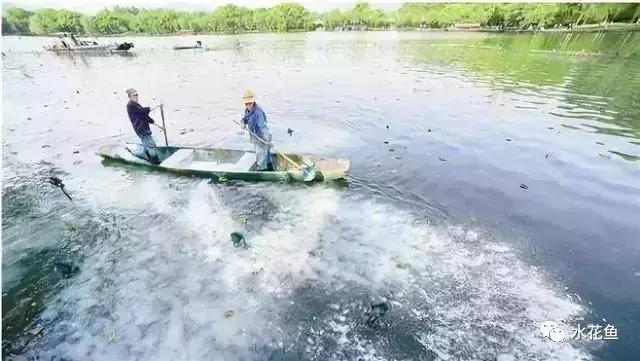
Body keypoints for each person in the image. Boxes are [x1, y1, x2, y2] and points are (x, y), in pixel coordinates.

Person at [126, 88, 160, 164]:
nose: (136, 96)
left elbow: (143, 115)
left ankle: (148, 158)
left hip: (143, 128)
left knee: (148, 144)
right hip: (141, 128)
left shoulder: (136, 104)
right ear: (130, 97)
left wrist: (152, 121)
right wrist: (152, 107)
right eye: (134, 95)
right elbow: (142, 111)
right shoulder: (130, 105)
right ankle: (155, 161)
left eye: (137, 95)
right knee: (151, 145)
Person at [241, 90, 273, 171]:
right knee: (265, 154)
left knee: (261, 154)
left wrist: (266, 140)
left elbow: (262, 127)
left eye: (249, 103)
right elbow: (246, 118)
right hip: (255, 136)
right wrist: (243, 122)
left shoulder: (258, 113)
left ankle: (263, 169)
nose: (248, 105)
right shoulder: (248, 110)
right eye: (246, 104)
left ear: (253, 102)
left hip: (262, 137)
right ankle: (268, 167)